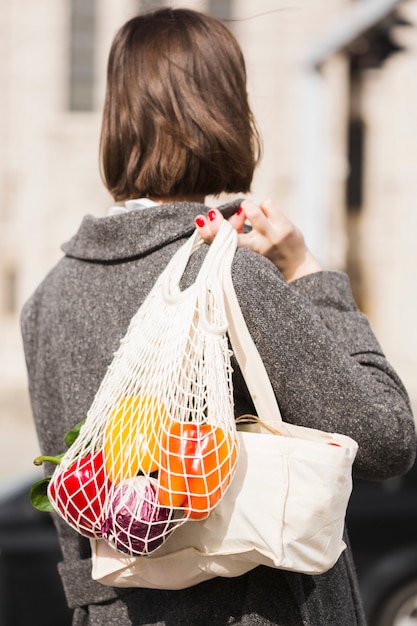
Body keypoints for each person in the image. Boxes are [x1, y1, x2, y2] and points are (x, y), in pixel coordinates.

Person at [21, 7, 416, 626]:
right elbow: (388, 440)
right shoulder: (230, 275)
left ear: (116, 122)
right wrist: (309, 272)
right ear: (227, 116)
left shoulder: (46, 301)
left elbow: (80, 514)